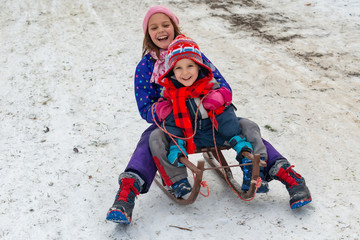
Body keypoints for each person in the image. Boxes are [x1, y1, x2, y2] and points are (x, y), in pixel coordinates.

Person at [106, 5, 311, 225]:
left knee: (247, 127)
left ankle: (286, 175)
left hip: (212, 122)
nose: (160, 30)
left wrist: (219, 97)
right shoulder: (146, 67)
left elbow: (224, 87)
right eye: (154, 27)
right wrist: (160, 109)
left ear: (174, 27)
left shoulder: (193, 53)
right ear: (148, 33)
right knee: (151, 138)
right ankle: (128, 192)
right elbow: (145, 106)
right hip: (176, 125)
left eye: (165, 25)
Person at [151, 34, 268, 198]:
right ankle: (178, 181)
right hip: (187, 138)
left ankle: (254, 172)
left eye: (190, 66)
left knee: (249, 125)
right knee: (155, 137)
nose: (185, 72)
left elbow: (226, 114)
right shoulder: (171, 95)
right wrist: (176, 143)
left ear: (199, 67)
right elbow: (173, 123)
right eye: (178, 68)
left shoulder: (210, 86)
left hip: (217, 133)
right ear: (171, 72)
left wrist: (221, 101)